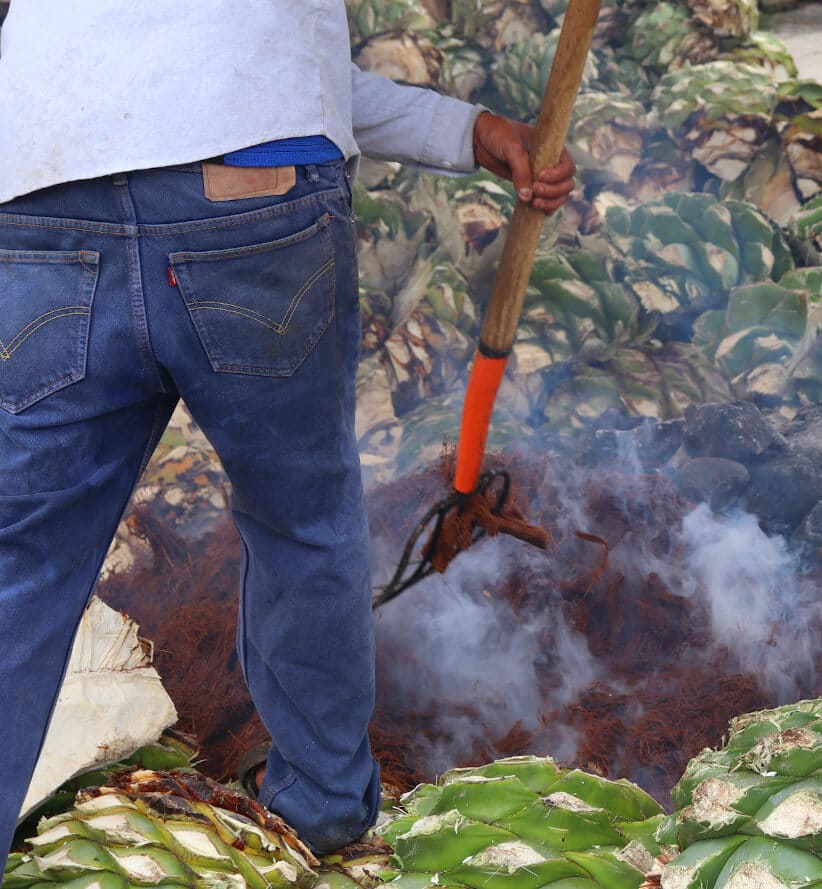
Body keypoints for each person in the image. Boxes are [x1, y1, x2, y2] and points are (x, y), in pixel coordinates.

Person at [0, 0, 575, 868]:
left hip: (43, 188)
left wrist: (468, 132)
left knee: (21, 564)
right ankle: (322, 819)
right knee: (300, 526)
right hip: (253, 191)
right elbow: (270, 71)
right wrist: (468, 129)